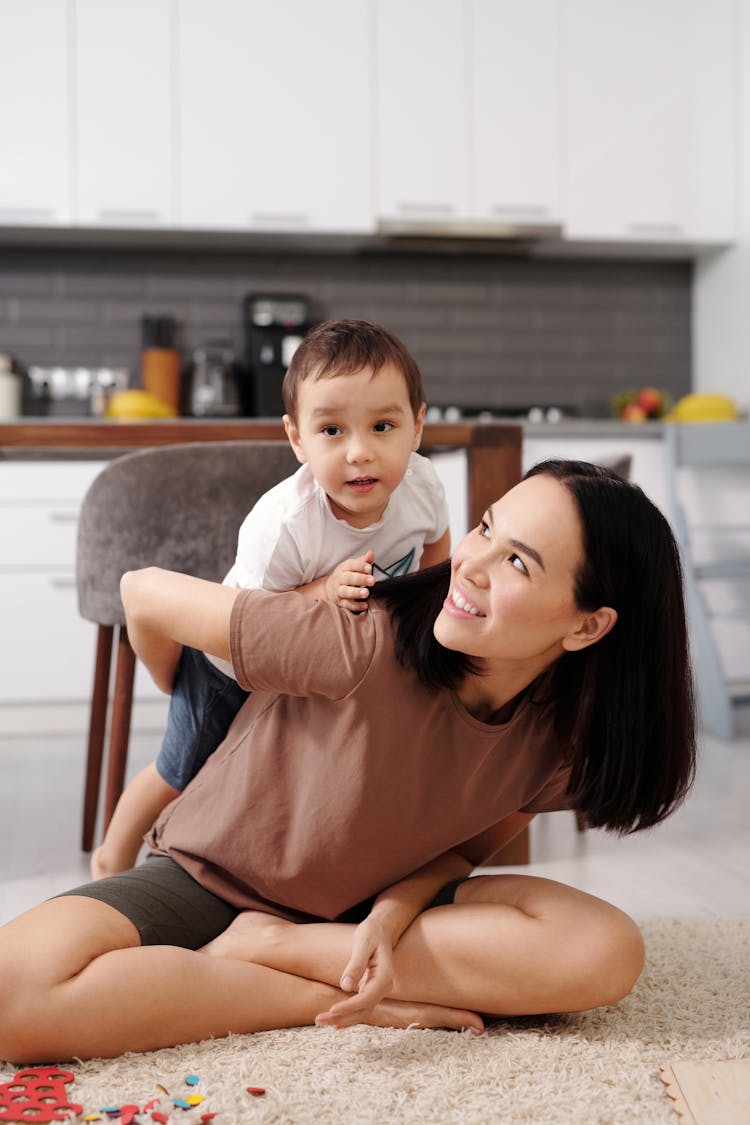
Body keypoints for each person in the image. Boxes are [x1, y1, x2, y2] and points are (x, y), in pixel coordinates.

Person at [0, 460, 696, 1065]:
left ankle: (279, 950)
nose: (471, 564)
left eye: (518, 561)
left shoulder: (561, 740)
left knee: (607, 949)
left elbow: (456, 857)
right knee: (13, 990)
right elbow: (141, 588)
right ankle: (319, 987)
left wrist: (385, 924)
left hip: (359, 913)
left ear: (587, 624)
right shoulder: (358, 636)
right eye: (485, 527)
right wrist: (184, 702)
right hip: (209, 879)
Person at [91, 318, 451, 879]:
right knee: (182, 768)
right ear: (297, 440)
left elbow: (435, 545)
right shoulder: (285, 524)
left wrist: (428, 607)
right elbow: (254, 621)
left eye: (383, 426)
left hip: (313, 665)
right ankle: (113, 851)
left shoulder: (423, 487)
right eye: (332, 431)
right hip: (229, 663)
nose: (360, 453)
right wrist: (325, 590)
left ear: (418, 425)